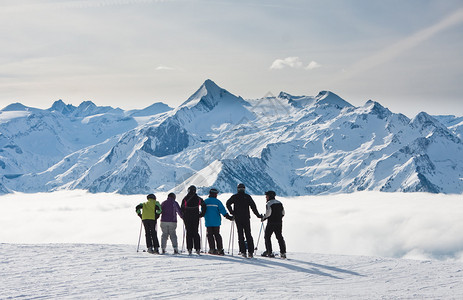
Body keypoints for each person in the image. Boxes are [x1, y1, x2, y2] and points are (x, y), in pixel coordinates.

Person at [226, 183, 262, 258]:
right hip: (246, 218)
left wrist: (232, 212)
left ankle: (243, 251)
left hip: (238, 218)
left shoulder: (235, 197)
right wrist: (258, 215)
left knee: (240, 234)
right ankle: (250, 252)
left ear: (237, 189)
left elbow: (228, 203)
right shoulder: (247, 197)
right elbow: (253, 207)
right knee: (248, 234)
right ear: (244, 189)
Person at [203, 188, 234, 255]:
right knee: (217, 235)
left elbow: (203, 211)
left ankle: (212, 249)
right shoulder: (218, 202)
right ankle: (220, 249)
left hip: (208, 221)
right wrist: (229, 217)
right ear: (215, 194)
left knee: (210, 235)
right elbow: (223, 211)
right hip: (216, 221)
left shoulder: (205, 201)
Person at [181, 185, 207, 255]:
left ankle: (189, 249)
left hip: (187, 217)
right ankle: (197, 249)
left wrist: (183, 215)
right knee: (195, 232)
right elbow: (204, 206)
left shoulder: (185, 198)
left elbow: (182, 208)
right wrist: (201, 214)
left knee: (189, 232)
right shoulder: (198, 198)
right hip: (196, 217)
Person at [261, 190, 287, 259]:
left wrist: (264, 218)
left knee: (267, 236)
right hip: (279, 222)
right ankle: (283, 252)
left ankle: (269, 252)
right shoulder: (280, 203)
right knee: (279, 237)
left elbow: (268, 214)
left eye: (266, 196)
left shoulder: (269, 203)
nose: (266, 198)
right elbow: (283, 213)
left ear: (269, 196)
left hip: (271, 222)